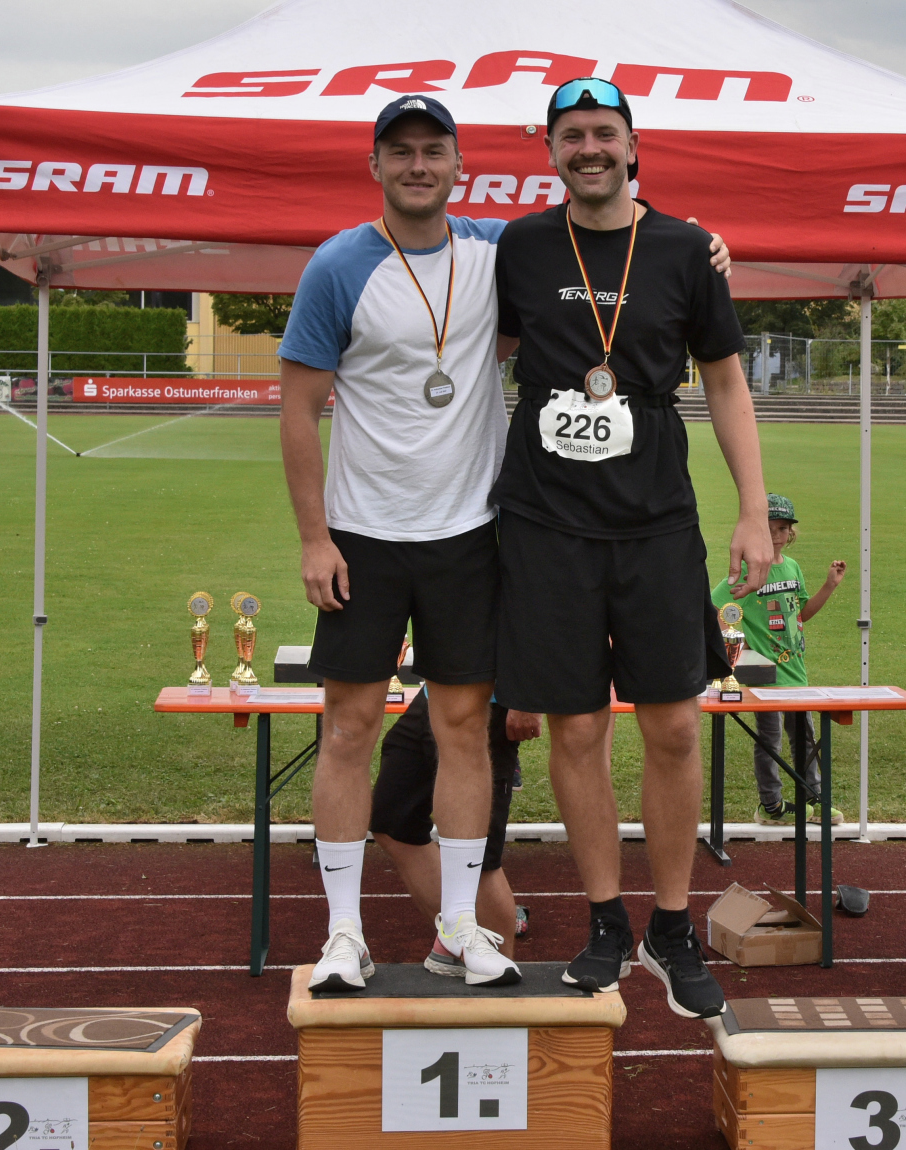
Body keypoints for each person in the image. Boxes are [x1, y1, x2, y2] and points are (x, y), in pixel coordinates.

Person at [278, 95, 730, 995]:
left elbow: (607, 239)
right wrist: (314, 536)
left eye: (433, 152)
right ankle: (342, 933)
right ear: (375, 165)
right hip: (365, 533)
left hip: (475, 532)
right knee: (349, 727)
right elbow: (298, 407)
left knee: (463, 730)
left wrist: (700, 244)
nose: (417, 166)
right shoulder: (337, 264)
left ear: (460, 166)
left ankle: (458, 925)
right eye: (400, 152)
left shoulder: (499, 250)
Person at [488, 77, 773, 1019]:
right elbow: (469, 334)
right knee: (576, 729)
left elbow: (726, 382)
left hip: (656, 520)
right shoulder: (520, 245)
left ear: (633, 144)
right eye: (572, 135)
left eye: (604, 133)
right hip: (547, 522)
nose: (590, 149)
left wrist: (753, 510)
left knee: (675, 725)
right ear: (550, 150)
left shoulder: (688, 249)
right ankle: (607, 919)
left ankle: (673, 924)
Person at [369, 683, 542, 968]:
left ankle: (500, 976)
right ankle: (458, 935)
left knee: (479, 858)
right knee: (394, 821)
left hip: (488, 698)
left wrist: (527, 696)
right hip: (437, 689)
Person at [710, 493, 846, 822]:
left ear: (791, 532)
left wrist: (829, 586)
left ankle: (813, 798)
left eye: (783, 528)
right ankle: (770, 805)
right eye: (770, 528)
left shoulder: (793, 567)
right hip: (765, 677)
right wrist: (739, 647)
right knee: (770, 740)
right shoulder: (748, 571)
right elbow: (714, 606)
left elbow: (802, 613)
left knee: (805, 738)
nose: (776, 535)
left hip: (795, 671)